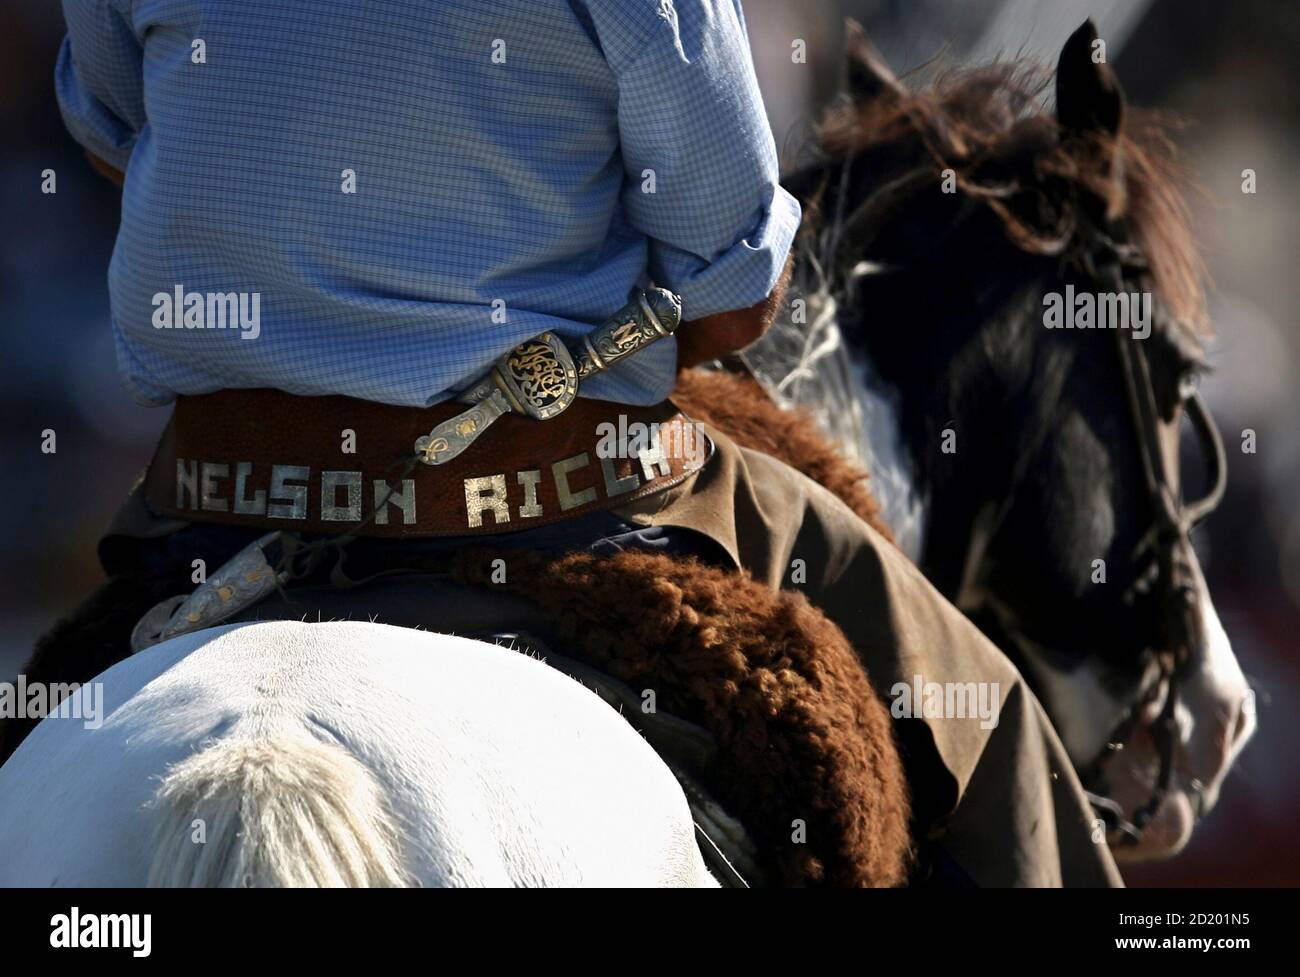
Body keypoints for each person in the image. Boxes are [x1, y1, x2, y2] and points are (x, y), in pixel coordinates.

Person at [8, 0, 1120, 886]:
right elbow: (737, 291)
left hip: (222, 499)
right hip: (554, 496)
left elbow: (113, 135)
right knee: (979, 717)